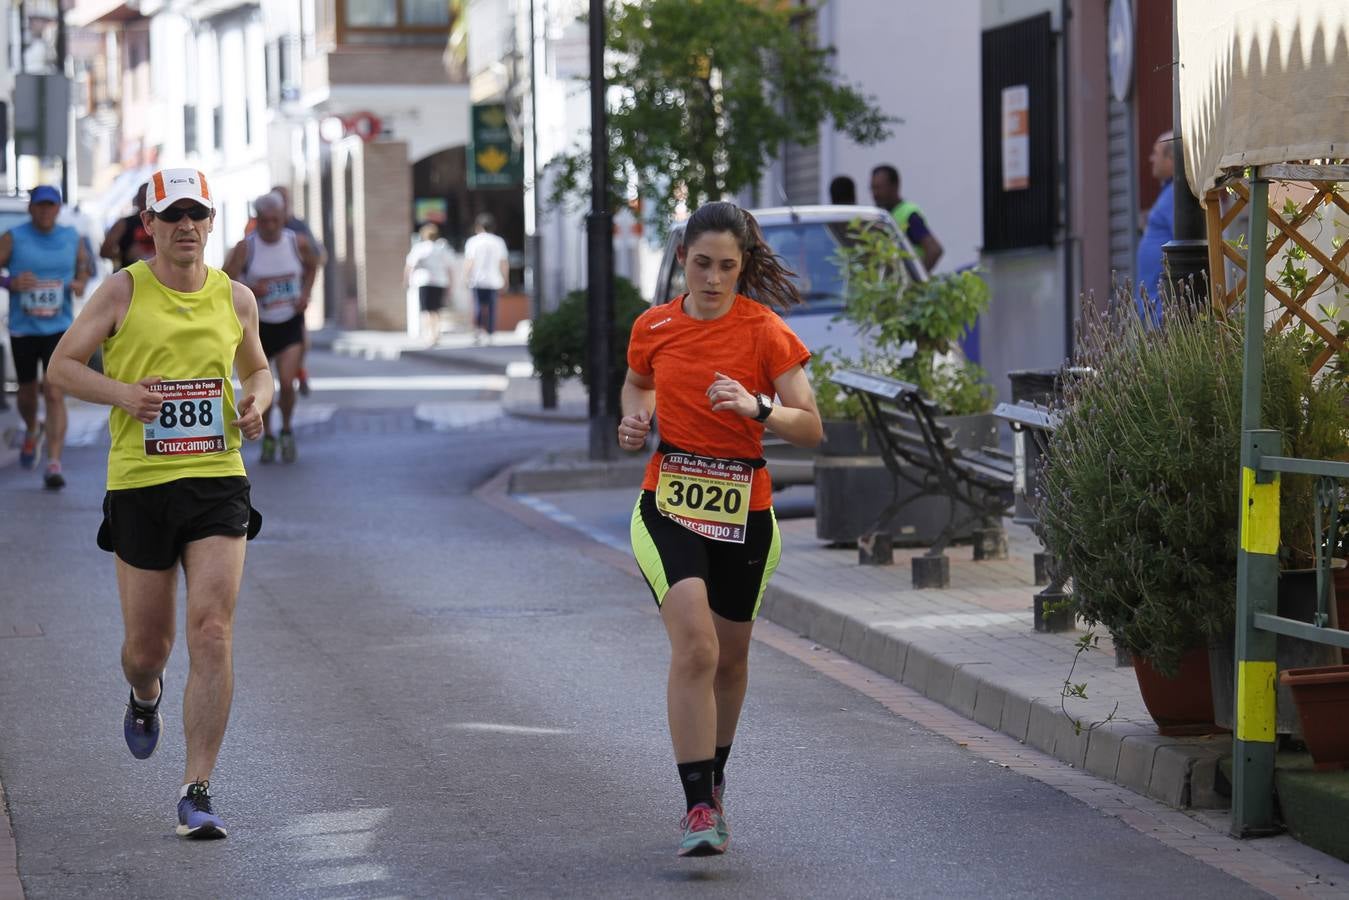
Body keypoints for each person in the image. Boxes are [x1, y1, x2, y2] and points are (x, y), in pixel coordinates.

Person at [47, 166, 273, 839]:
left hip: (216, 478)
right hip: (140, 483)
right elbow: (62, 367)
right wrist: (124, 395)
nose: (184, 227)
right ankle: (145, 696)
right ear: (148, 224)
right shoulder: (120, 291)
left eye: (196, 214)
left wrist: (259, 399)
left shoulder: (235, 298)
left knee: (212, 630)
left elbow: (256, 367)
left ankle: (197, 789)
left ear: (210, 222)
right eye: (170, 215)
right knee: (149, 649)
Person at [618, 201, 823, 856]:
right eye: (701, 264)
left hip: (744, 508)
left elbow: (811, 426)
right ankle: (698, 807)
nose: (711, 278)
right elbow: (636, 384)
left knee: (730, 659)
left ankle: (715, 773)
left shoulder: (764, 332)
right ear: (682, 260)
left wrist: (757, 405)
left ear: (742, 267)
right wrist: (633, 419)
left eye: (725, 267)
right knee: (698, 648)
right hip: (669, 501)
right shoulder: (653, 326)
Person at [0, 185, 91, 489]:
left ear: (58, 208)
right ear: (31, 209)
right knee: (26, 395)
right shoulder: (14, 237)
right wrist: (11, 280)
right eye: (40, 206)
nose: (45, 211)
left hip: (59, 327)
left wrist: (79, 281)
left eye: (50, 206)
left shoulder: (71, 237)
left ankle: (53, 462)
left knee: (54, 392)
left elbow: (84, 266)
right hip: (24, 327)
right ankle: (30, 428)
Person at [223, 191, 318, 464]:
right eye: (265, 221)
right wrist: (251, 289)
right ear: (257, 220)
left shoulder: (296, 243)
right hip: (259, 325)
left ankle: (287, 429)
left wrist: (306, 293)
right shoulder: (246, 248)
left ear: (282, 219)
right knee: (263, 385)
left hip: (290, 322)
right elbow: (224, 277)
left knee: (287, 383)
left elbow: (313, 266)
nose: (270, 226)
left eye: (275, 220)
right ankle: (269, 435)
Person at [271, 185, 325, 395]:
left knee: (299, 338)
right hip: (263, 300)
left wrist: (305, 290)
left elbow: (319, 257)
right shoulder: (258, 225)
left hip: (293, 296)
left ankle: (297, 371)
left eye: (285, 201)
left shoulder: (298, 226)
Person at [870, 164, 943, 272]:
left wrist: (915, 280)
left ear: (894, 186)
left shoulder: (908, 214)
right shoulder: (881, 214)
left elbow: (934, 250)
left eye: (879, 188)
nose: (875, 193)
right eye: (872, 188)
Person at [1135, 130, 1175, 327]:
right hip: (1155, 305)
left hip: (1164, 309)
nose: (1151, 159)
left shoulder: (1177, 194)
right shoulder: (1168, 192)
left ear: (1171, 158)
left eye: (1156, 153)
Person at [404, 223, 455, 345]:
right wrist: (451, 284)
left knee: (427, 310)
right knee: (436, 310)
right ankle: (436, 333)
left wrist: (406, 280)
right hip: (440, 282)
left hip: (424, 282)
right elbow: (450, 268)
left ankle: (429, 335)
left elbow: (409, 265)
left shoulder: (420, 248)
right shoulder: (442, 249)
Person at [463, 212, 509, 344]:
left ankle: (478, 332)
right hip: (494, 280)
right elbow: (503, 262)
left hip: (477, 280)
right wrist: (506, 279)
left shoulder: (473, 241)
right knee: (492, 308)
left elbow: (469, 261)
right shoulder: (499, 241)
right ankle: (490, 333)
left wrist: (465, 276)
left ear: (478, 226)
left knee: (477, 306)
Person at [99, 182, 157, 270]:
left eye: (148, 200)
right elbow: (104, 251)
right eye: (142, 199)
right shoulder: (123, 223)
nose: (145, 204)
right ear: (137, 200)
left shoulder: (165, 221)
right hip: (132, 274)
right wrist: (124, 254)